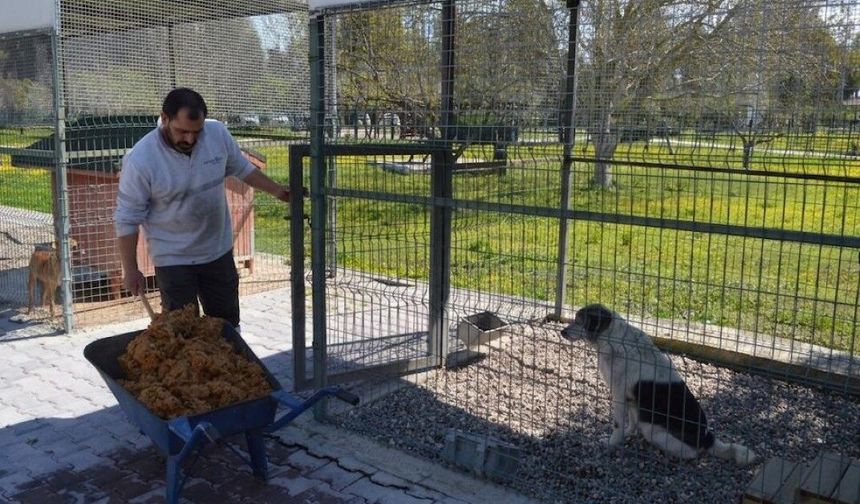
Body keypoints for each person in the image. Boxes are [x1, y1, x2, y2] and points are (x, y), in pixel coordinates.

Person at [114, 88, 294, 329]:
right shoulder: (140, 160)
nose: (190, 139)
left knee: (226, 327)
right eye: (182, 131)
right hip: (173, 259)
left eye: (196, 132)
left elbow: (242, 168)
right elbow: (127, 219)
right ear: (164, 119)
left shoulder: (216, 133)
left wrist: (278, 191)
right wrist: (131, 269)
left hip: (216, 251)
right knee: (181, 332)